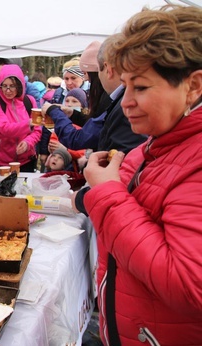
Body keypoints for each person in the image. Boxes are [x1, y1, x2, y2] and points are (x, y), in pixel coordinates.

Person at [75, 5, 202, 344]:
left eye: (141, 88)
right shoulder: (156, 145)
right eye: (126, 86)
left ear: (193, 86)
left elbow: (189, 286)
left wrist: (107, 194)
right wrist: (102, 179)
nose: (126, 101)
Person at [0, 64, 42, 174]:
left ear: (19, 86)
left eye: (12, 86)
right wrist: (28, 123)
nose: (8, 90)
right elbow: (5, 129)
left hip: (26, 160)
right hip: (1, 163)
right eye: (4, 86)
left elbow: (38, 129)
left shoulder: (29, 101)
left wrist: (28, 143)